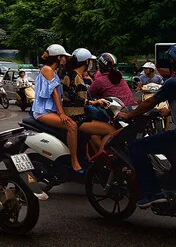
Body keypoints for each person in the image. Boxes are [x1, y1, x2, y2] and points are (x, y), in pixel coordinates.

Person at [119, 44, 176, 207]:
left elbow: (150, 102)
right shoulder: (146, 79)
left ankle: (152, 193)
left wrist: (130, 115)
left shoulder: (171, 82)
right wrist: (168, 111)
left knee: (136, 147)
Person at [32, 44, 82, 173]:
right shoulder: (47, 70)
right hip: (43, 112)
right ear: (58, 57)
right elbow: (54, 92)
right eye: (64, 57)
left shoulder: (54, 71)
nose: (65, 59)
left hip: (51, 110)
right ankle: (74, 161)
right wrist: (61, 113)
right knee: (72, 126)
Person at [61, 48, 113, 155]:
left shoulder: (77, 76)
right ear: (86, 61)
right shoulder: (72, 76)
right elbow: (73, 98)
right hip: (76, 118)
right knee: (111, 131)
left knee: (95, 135)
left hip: (81, 116)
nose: (91, 63)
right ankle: (101, 160)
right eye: (90, 61)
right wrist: (91, 102)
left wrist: (95, 101)